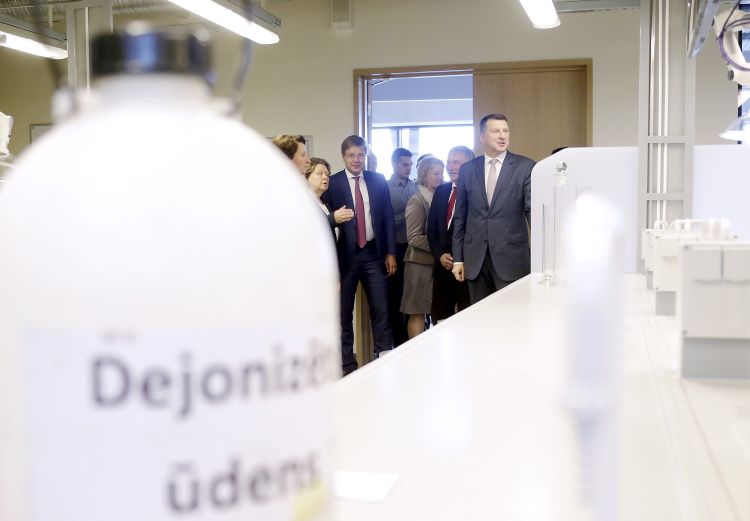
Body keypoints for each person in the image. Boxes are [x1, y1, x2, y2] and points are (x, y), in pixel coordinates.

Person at [324, 136, 397, 375]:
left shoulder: (378, 180)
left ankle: (384, 356)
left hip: (374, 253)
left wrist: (390, 253)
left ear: (365, 156)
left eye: (360, 155)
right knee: (343, 313)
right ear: (343, 157)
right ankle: (347, 365)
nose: (356, 160)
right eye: (351, 155)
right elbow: (324, 219)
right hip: (345, 256)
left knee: (381, 308)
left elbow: (387, 217)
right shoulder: (333, 183)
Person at [451, 114, 534, 303]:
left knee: (512, 313)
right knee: (480, 315)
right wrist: (458, 259)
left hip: (512, 257)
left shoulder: (525, 167)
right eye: (496, 131)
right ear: (482, 136)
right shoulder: (467, 169)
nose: (502, 136)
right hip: (475, 259)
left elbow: (532, 212)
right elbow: (460, 216)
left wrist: (544, 254)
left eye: (506, 131)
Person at [427, 146, 474, 322]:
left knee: (467, 320)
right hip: (442, 268)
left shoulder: (477, 192)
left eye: (456, 162)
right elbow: (432, 231)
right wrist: (440, 255)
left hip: (468, 269)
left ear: (470, 165)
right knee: (440, 319)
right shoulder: (441, 191)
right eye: (448, 162)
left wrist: (460, 258)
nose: (450, 167)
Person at [401, 157, 445, 338]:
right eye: (436, 173)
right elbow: (414, 238)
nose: (441, 177)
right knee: (417, 312)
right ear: (424, 175)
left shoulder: (442, 198)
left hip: (437, 264)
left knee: (439, 311)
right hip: (418, 265)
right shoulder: (417, 200)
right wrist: (440, 247)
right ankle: (415, 351)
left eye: (442, 173)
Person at [386, 148, 416, 346]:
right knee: (396, 295)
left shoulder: (415, 186)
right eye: (405, 164)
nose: (408, 168)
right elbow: (384, 219)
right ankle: (398, 341)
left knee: (412, 294)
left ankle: (412, 339)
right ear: (395, 164)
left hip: (414, 248)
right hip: (395, 247)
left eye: (410, 164)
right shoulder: (386, 188)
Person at [305, 157, 353, 242]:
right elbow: (309, 230)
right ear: (306, 177)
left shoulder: (325, 202)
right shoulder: (303, 203)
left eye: (327, 174)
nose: (325, 177)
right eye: (320, 173)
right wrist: (333, 219)